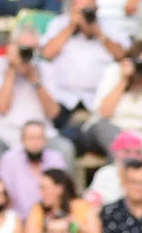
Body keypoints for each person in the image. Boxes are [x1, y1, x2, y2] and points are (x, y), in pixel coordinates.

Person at [0, 22, 66, 175]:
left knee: (65, 148)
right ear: (12, 47)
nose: (28, 53)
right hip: (4, 133)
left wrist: (36, 81)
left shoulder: (46, 69)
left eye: (32, 49)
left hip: (40, 134)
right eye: (23, 48)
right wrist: (12, 70)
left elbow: (54, 113)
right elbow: (1, 107)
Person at [40, 0, 129, 147]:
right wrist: (71, 26)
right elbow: (47, 53)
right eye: (78, 9)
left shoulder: (108, 26)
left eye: (87, 9)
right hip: (64, 99)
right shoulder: (59, 24)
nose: (83, 14)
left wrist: (98, 33)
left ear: (96, 9)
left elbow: (123, 57)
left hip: (97, 101)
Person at [83, 37, 142, 156]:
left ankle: (126, 167)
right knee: (120, 143)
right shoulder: (114, 72)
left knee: (133, 144)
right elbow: (104, 112)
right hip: (112, 128)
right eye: (140, 64)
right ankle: (122, 168)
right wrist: (124, 81)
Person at [22, 168, 100, 233]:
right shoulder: (38, 210)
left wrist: (79, 226)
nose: (41, 193)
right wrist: (49, 229)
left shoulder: (83, 208)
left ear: (59, 189)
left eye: (44, 188)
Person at [0, 120, 67, 217]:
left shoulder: (55, 158)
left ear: (45, 140)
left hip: (49, 220)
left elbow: (61, 191)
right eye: (30, 138)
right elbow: (4, 193)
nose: (35, 143)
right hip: (18, 219)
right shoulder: (9, 160)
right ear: (22, 140)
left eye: (39, 138)